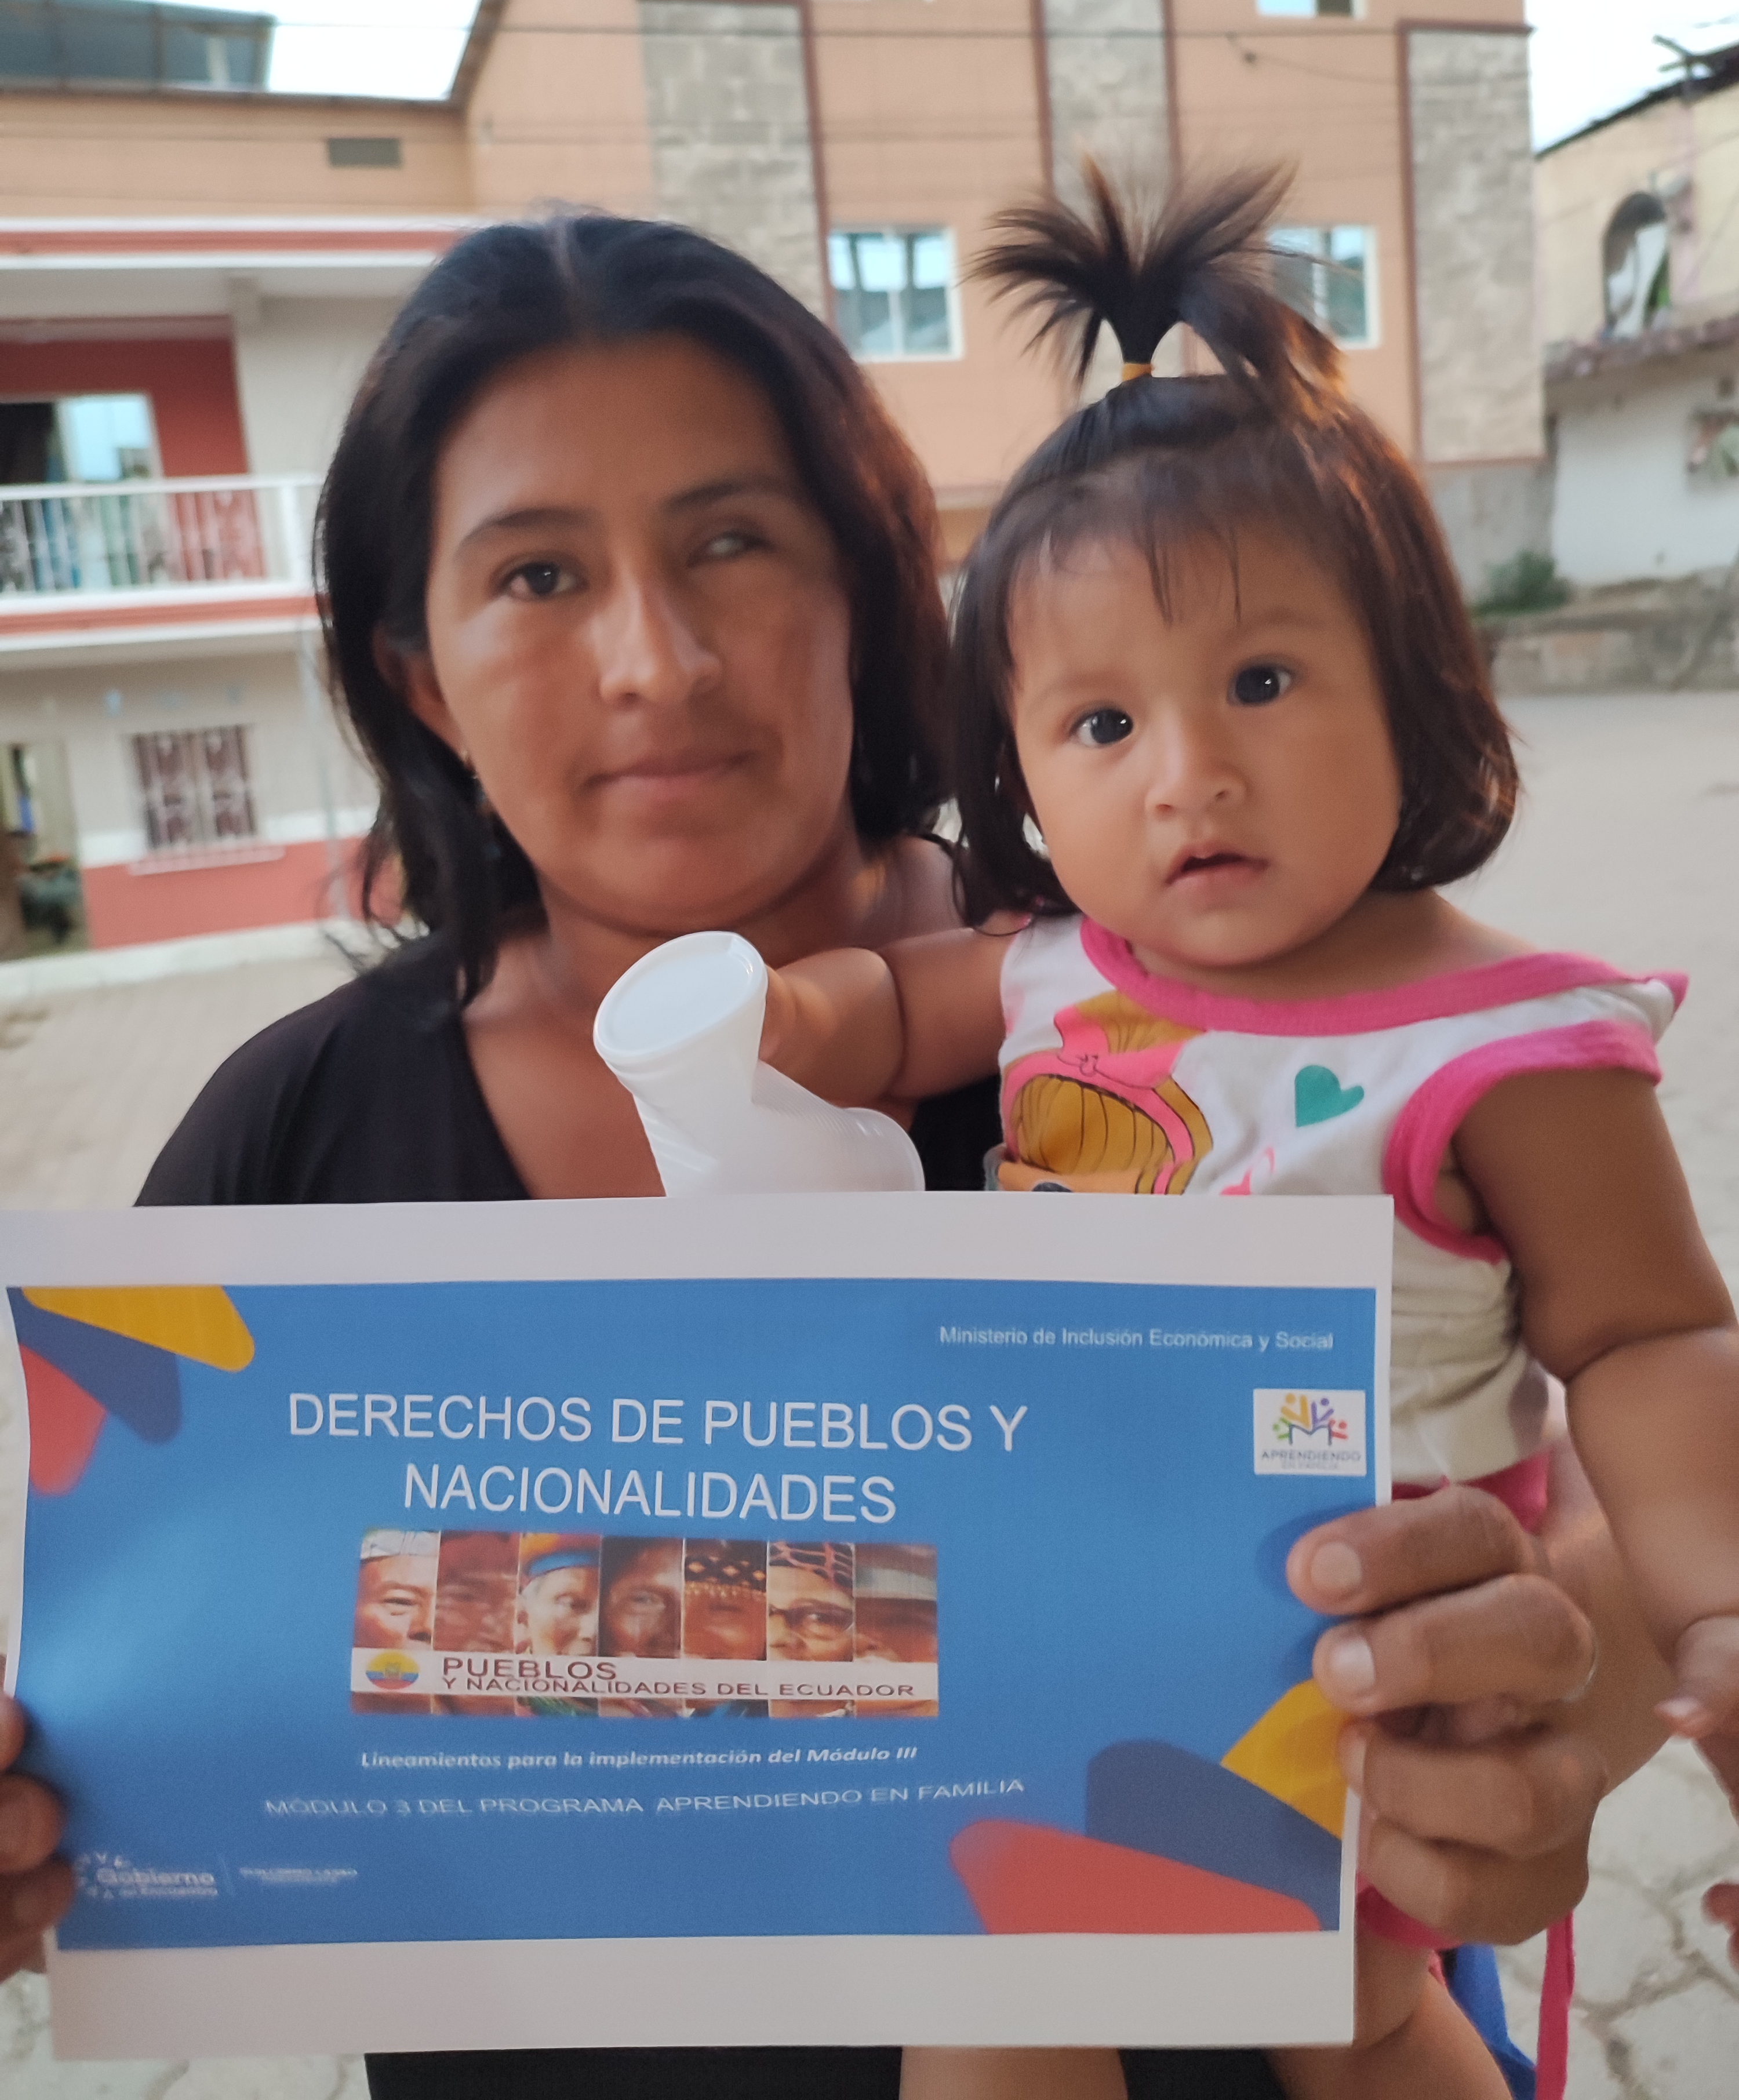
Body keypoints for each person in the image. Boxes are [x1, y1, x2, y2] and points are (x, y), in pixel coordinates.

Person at [0, 209, 1706, 2100]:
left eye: (732, 541)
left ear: (869, 588)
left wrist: (1564, 1696)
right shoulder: (290, 1149)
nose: (656, 661)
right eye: (540, 574)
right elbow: (146, 1658)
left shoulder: (1151, 1015)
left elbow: (1605, 1421)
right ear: (420, 673)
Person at [758, 166, 1739, 2100]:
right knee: (998, 1996)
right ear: (1019, 772)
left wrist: (1712, 1605)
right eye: (1102, 726)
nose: (1190, 772)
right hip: (1064, 1615)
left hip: (1373, 1667)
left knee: (1354, 2018)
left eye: (1263, 683)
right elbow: (888, 1009)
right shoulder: (1052, 969)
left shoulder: (1508, 1043)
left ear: (1416, 690)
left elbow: (1650, 1338)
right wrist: (780, 1020)